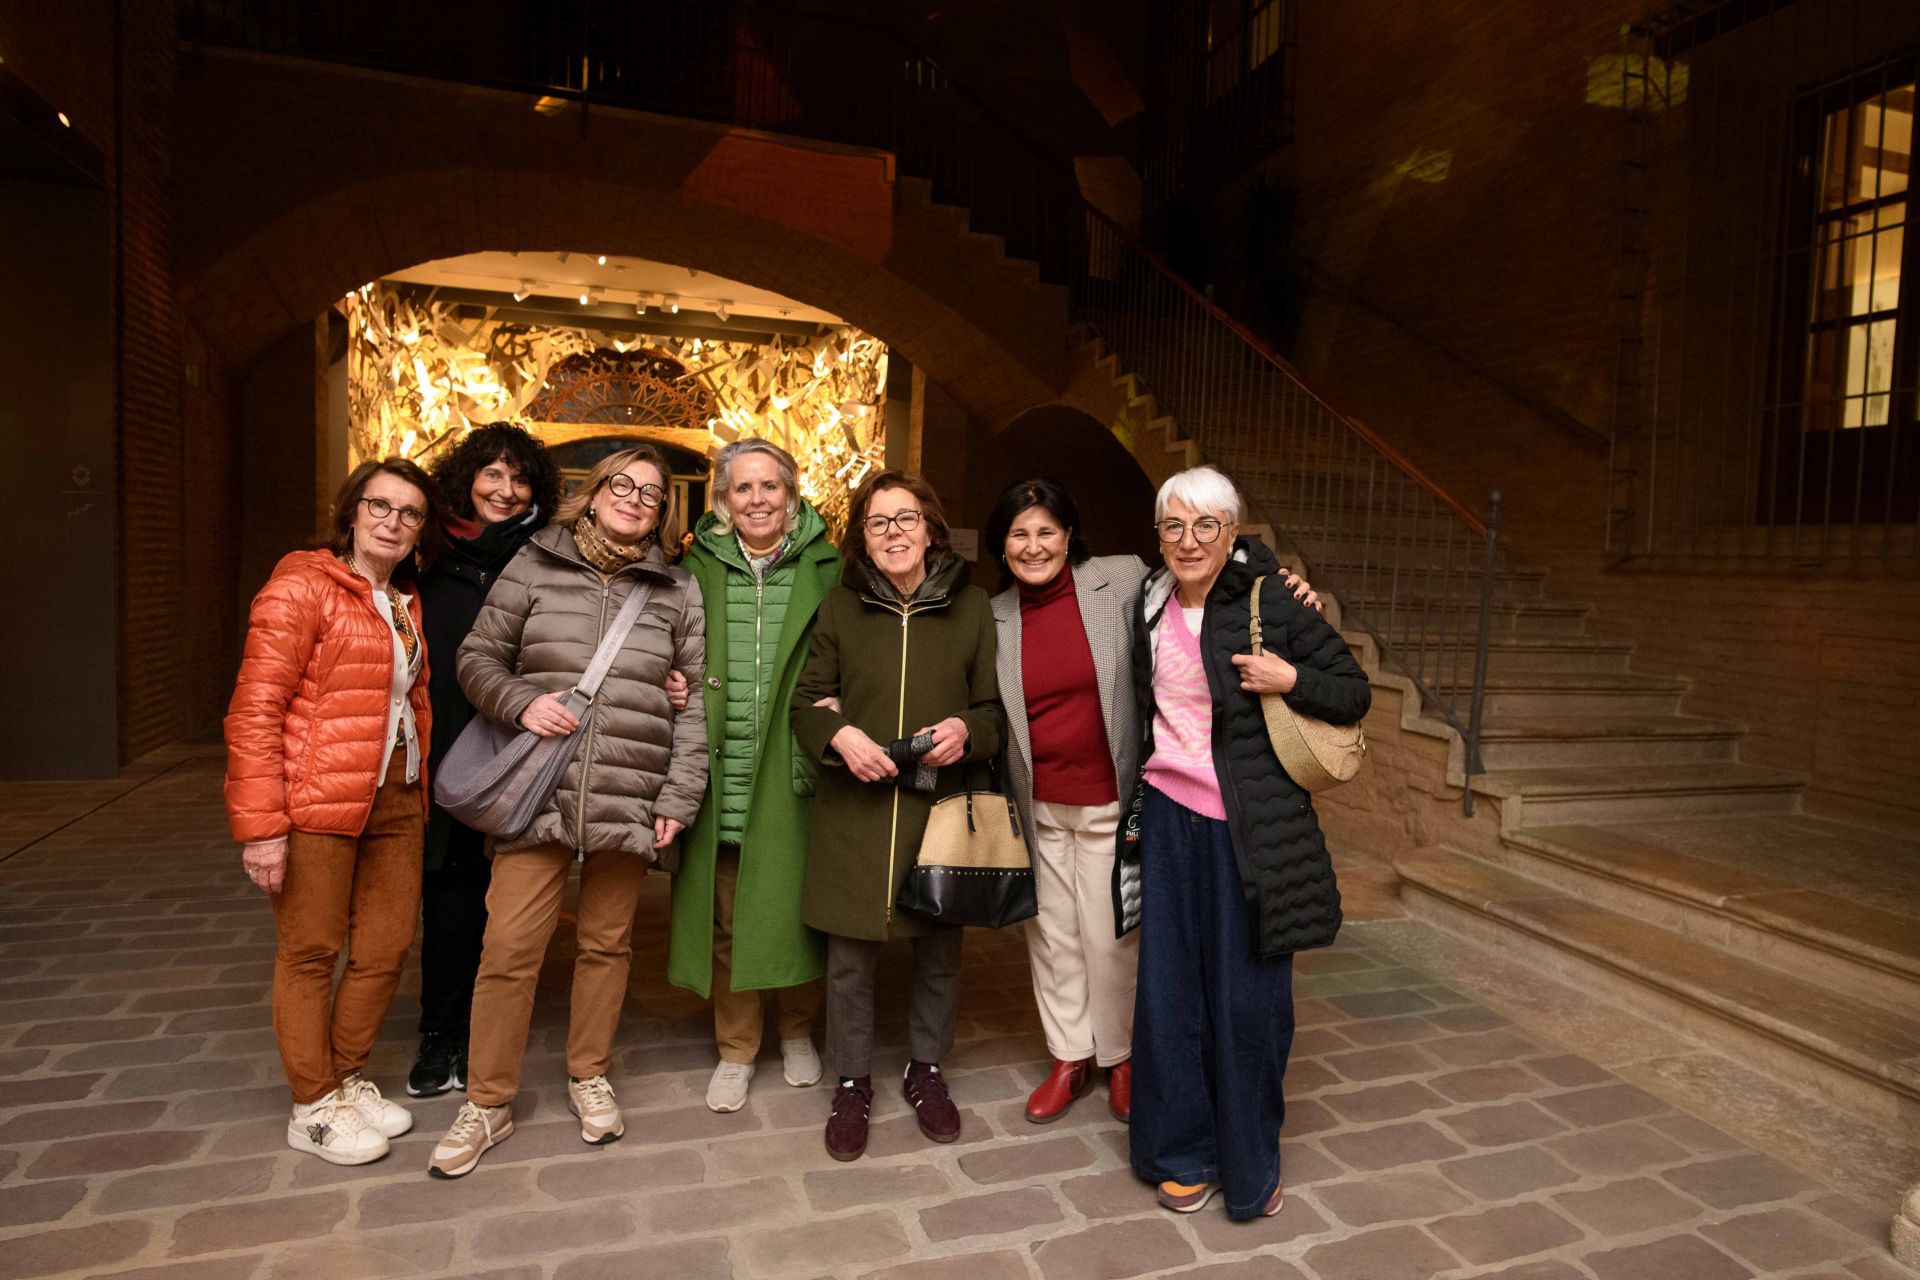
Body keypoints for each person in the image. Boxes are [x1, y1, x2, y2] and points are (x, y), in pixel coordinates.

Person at [986, 478, 1320, 1127]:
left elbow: (1208, 562)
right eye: (1019, 534)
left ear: (1068, 535)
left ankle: (1121, 1057)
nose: (1033, 546)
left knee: (1113, 937)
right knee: (1053, 937)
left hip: (1116, 794)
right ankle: (1067, 1056)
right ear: (1002, 546)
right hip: (1040, 804)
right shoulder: (993, 614)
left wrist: (1281, 581)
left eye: (1045, 532)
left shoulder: (1118, 579)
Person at [428, 444, 708, 1179]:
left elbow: (693, 702)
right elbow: (477, 659)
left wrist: (680, 794)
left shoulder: (678, 590)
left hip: (630, 791)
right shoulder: (537, 563)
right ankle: (488, 1101)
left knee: (607, 947)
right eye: (623, 483)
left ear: (662, 513)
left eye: (652, 494)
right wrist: (525, 704)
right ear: (593, 492)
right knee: (509, 949)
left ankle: (589, 1075)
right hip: (538, 790)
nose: (636, 498)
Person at [1125, 465, 1369, 1220]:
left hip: (1250, 830)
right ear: (1158, 534)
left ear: (1233, 532)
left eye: (1206, 525)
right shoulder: (1149, 599)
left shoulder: (1271, 600)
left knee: (1249, 1001)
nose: (1189, 540)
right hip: (1168, 817)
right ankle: (1182, 1153)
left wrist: (1290, 675)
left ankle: (1251, 1162)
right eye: (1174, 525)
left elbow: (1352, 692)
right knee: (1169, 994)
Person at [224, 457, 447, 1165]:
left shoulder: (403, 600)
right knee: (312, 951)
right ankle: (312, 1105)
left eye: (410, 513)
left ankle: (347, 1078)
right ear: (351, 512)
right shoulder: (300, 588)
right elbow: (255, 711)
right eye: (380, 506)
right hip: (318, 797)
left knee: (384, 949)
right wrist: (262, 829)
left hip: (397, 794)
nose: (393, 522)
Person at [791, 470, 1001, 1162]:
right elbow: (808, 701)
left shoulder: (972, 610)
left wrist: (967, 732)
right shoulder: (839, 608)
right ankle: (852, 1082)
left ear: (931, 529)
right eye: (878, 523)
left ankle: (926, 1070)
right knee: (849, 959)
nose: (893, 533)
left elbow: (994, 712)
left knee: (939, 950)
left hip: (936, 808)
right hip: (857, 806)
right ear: (864, 538)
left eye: (905, 519)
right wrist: (839, 735)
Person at [669, 439, 840, 1113]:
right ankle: (737, 1048)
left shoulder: (830, 567)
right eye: (743, 489)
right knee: (728, 915)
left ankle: (797, 1031)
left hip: (797, 767)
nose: (758, 499)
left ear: (792, 496)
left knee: (799, 912)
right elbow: (669, 639)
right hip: (722, 767)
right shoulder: (695, 566)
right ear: (723, 502)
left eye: (771, 487)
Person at [408, 423, 561, 1098]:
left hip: (522, 740)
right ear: (467, 478)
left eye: (520, 478)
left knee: (514, 895)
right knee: (449, 892)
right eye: (493, 474)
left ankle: (484, 1031)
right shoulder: (427, 551)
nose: (505, 489)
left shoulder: (547, 558)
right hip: (444, 738)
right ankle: (440, 1031)